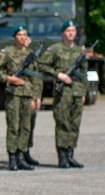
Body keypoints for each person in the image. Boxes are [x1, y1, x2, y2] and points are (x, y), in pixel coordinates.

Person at [0, 25, 43, 171]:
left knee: (26, 127)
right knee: (13, 126)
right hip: (13, 95)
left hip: (28, 94)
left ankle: (21, 156)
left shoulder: (31, 54)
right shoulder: (7, 52)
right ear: (15, 37)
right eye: (19, 34)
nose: (22, 37)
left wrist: (36, 97)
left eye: (25, 34)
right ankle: (12, 157)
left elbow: (37, 78)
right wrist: (9, 79)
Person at [38, 20, 89, 168]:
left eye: (73, 30)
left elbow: (84, 74)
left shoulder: (80, 51)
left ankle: (70, 155)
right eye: (68, 30)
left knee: (74, 125)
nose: (71, 33)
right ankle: (62, 157)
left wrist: (84, 91)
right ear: (62, 33)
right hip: (62, 93)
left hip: (77, 92)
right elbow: (42, 66)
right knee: (62, 124)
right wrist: (59, 75)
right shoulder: (54, 49)